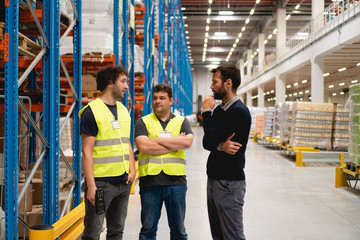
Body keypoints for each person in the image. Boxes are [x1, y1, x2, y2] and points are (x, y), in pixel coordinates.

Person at [79, 65, 136, 240]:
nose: (127, 86)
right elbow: (86, 152)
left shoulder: (123, 110)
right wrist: (91, 186)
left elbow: (125, 141)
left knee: (116, 232)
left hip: (123, 181)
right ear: (110, 83)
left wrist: (132, 169)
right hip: (102, 184)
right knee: (92, 233)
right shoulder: (91, 111)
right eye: (123, 81)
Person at [135, 83, 194, 240]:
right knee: (147, 230)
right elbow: (143, 146)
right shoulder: (143, 122)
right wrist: (175, 144)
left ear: (171, 101)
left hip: (176, 182)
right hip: (150, 182)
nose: (157, 101)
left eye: (162, 98)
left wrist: (156, 140)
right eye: (155, 98)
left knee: (179, 231)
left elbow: (187, 143)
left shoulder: (182, 121)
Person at [201, 65, 251, 240]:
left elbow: (212, 137)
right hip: (214, 179)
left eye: (215, 82)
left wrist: (206, 112)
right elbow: (207, 142)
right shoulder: (220, 110)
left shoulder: (239, 112)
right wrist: (220, 146)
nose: (211, 86)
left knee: (232, 236)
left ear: (228, 83)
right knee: (218, 235)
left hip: (229, 183)